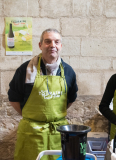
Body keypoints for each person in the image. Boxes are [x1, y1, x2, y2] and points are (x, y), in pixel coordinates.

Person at [8, 28, 78, 160]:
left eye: (57, 42)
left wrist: (54, 116)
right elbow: (13, 98)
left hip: (58, 133)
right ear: (40, 45)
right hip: (31, 133)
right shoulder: (25, 70)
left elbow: (71, 99)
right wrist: (30, 116)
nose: (53, 45)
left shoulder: (68, 71)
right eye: (48, 41)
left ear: (61, 46)